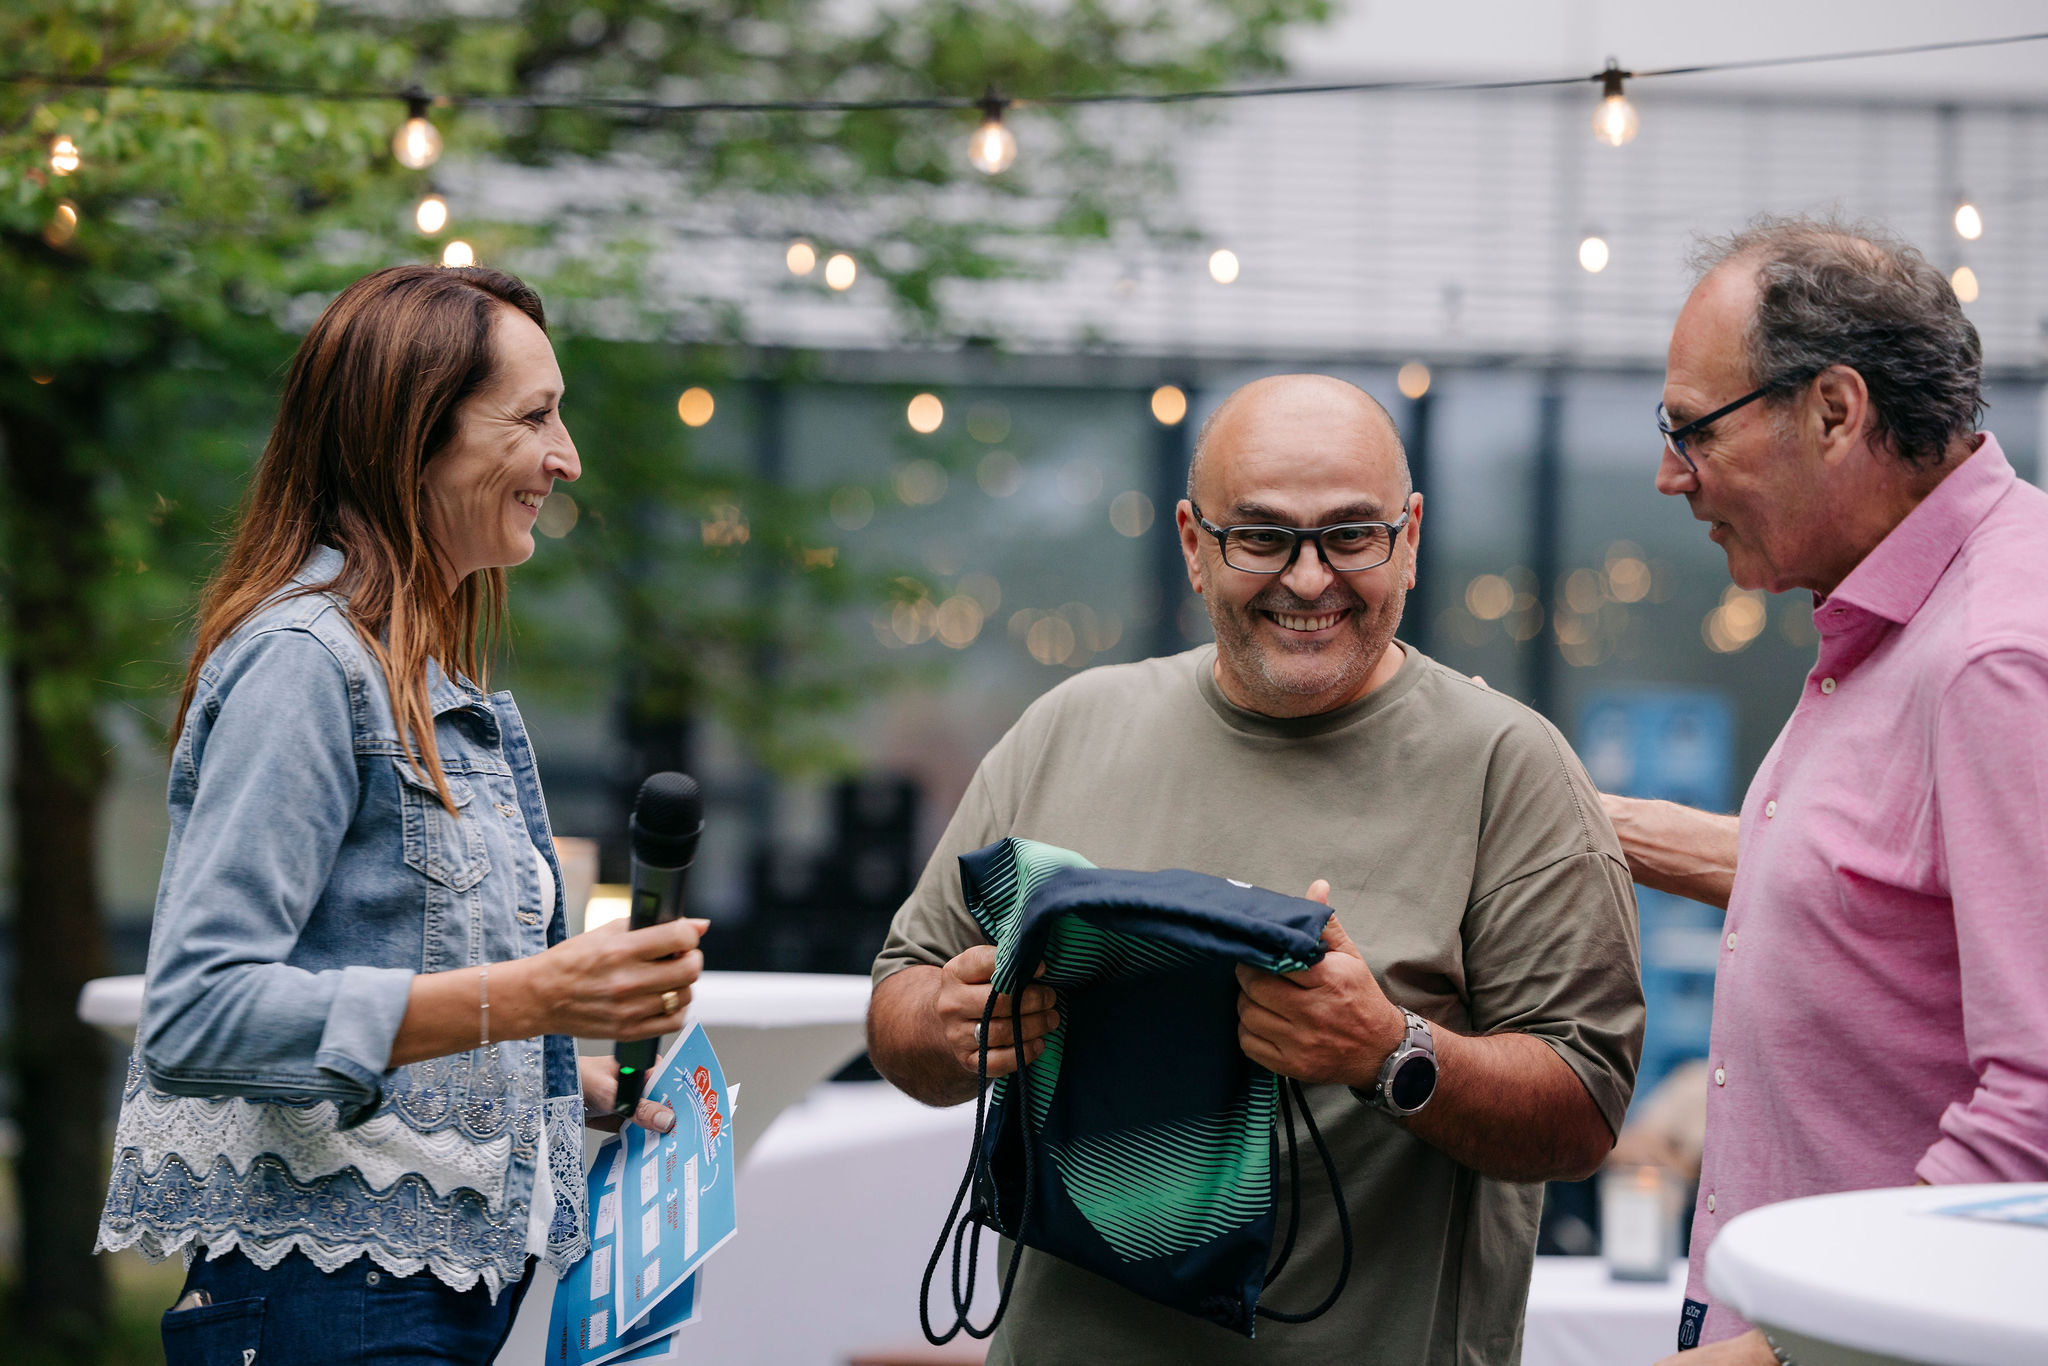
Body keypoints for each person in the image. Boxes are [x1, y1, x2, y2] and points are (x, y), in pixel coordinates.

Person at [867, 373, 1645, 1365]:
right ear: (1194, 544)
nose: (1309, 579)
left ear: (1409, 536)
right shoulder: (1068, 727)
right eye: (1263, 537)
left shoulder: (1508, 767)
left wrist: (1386, 1048)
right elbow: (901, 997)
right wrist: (946, 1021)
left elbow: (1581, 1113)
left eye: (1351, 535)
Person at [95, 264, 705, 1365]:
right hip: (330, 1305)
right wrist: (523, 1000)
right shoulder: (302, 665)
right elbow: (198, 1012)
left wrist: (548, 1083)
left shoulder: (425, 684)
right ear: (414, 436)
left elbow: (380, 976)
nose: (566, 458)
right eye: (534, 417)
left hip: (406, 1302)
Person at [1602, 217, 2048, 1365]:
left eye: (1688, 429)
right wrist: (1591, 827)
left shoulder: (1996, 655)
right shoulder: (1905, 617)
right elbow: (1874, 895)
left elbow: (2036, 1109)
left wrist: (1779, 1349)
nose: (1667, 475)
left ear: (1834, 411)